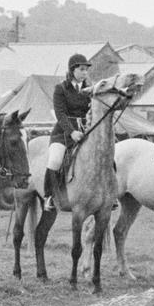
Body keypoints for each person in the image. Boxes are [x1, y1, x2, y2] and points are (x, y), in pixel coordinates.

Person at [43, 53, 92, 211]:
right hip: (63, 133)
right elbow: (60, 114)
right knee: (55, 160)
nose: (85, 73)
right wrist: (71, 132)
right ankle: (49, 196)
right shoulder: (61, 89)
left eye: (86, 70)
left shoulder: (89, 90)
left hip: (85, 130)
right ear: (73, 70)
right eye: (82, 69)